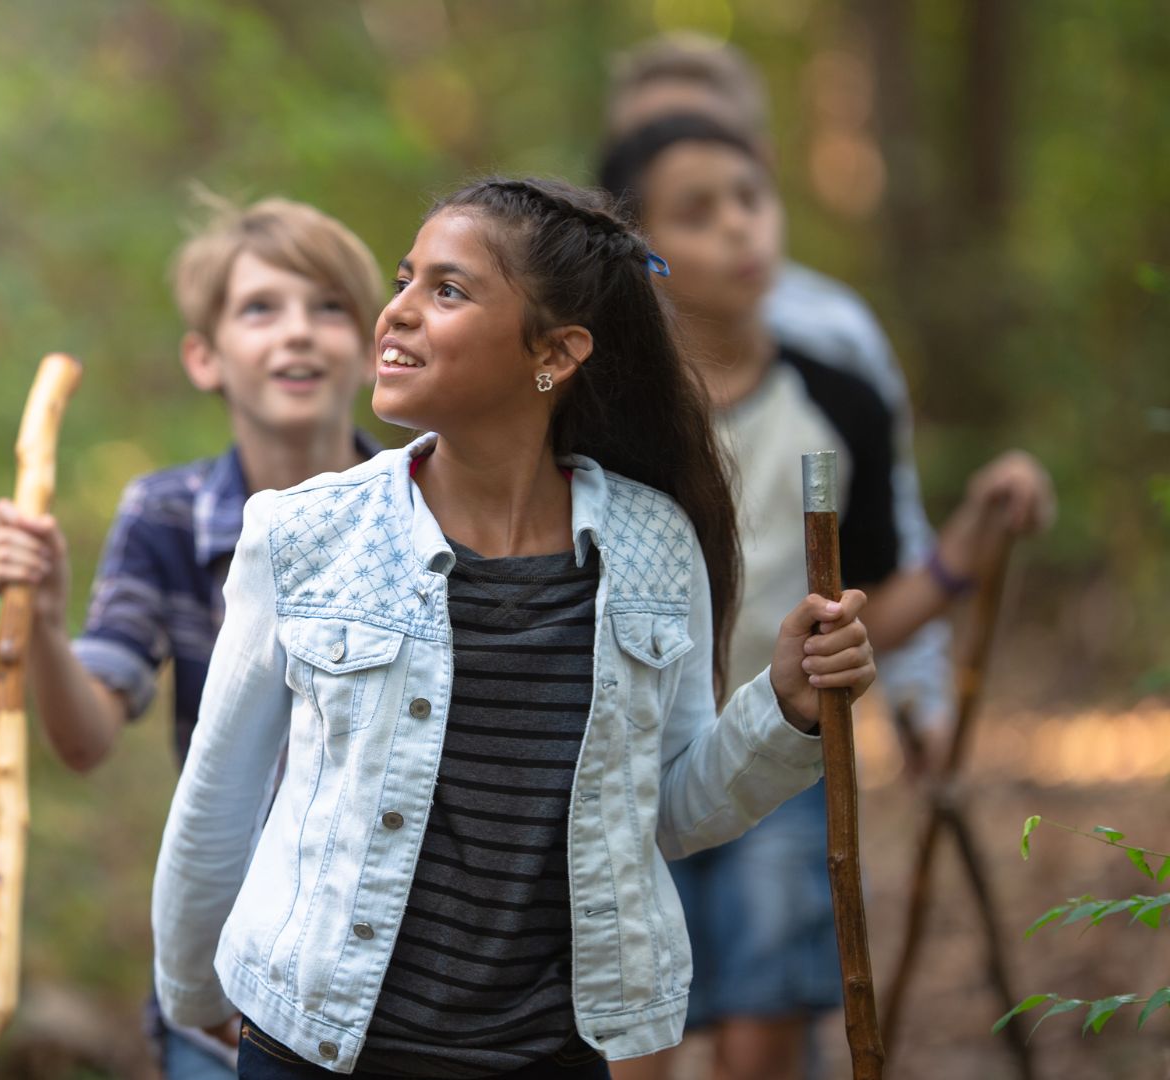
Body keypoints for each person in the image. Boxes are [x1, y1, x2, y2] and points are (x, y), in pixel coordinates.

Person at [151, 176, 880, 1079]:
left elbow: (672, 808)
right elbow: (216, 802)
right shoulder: (302, 535)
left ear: (555, 352)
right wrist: (194, 1000)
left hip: (547, 1056)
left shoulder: (651, 544)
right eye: (403, 279)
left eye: (447, 291)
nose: (397, 314)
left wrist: (787, 707)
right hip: (314, 1049)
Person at [598, 112, 1053, 1080]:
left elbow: (869, 604)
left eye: (751, 200)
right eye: (698, 211)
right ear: (639, 249)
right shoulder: (602, 416)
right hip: (623, 769)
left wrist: (968, 541)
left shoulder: (840, 399)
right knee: (633, 1031)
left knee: (767, 1025)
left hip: (784, 763)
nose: (738, 228)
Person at [0, 192, 386, 1078]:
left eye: (329, 308)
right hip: (224, 986)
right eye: (260, 309)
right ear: (206, 356)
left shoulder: (425, 509)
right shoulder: (165, 515)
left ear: (369, 344)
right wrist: (43, 621)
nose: (299, 334)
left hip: (393, 983)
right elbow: (85, 737)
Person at [604, 32, 955, 729]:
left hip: (781, 738)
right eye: (655, 141)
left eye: (743, 191)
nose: (735, 226)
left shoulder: (837, 344)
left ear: (761, 162)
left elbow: (888, 539)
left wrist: (922, 698)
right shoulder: (589, 386)